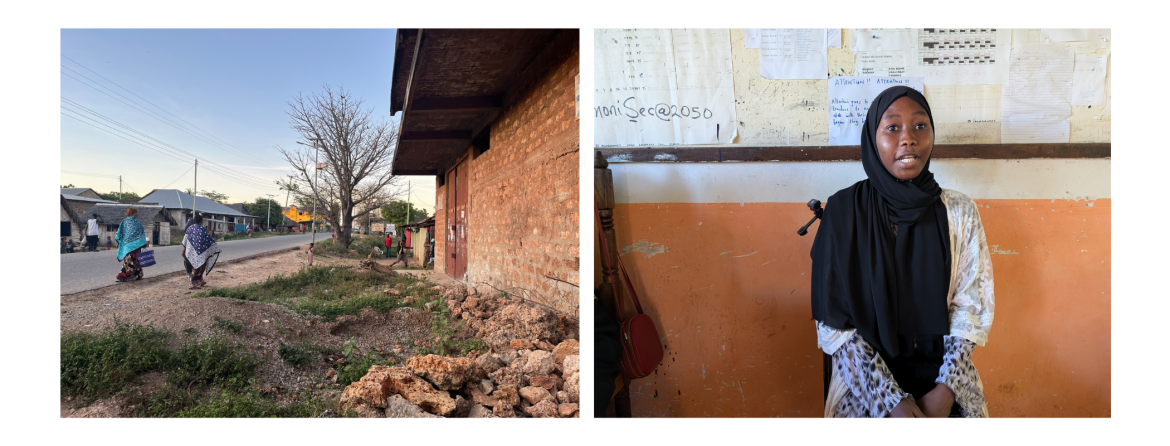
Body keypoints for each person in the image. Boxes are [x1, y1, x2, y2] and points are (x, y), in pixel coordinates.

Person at [810, 86, 994, 418]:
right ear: (872, 138)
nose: (908, 139)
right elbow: (835, 327)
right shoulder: (842, 213)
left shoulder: (959, 211)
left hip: (944, 377)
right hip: (865, 384)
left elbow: (970, 306)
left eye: (920, 126)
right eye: (893, 127)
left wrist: (946, 391)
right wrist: (890, 402)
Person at [182, 213, 221, 290]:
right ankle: (192, 284)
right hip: (200, 252)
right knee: (199, 266)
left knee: (196, 265)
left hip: (189, 252)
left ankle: (200, 280)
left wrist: (184, 251)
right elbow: (208, 240)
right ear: (201, 221)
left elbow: (185, 241)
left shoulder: (190, 228)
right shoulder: (203, 229)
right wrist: (214, 248)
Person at [115, 207, 149, 282]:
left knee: (130, 260)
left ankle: (130, 275)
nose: (137, 214)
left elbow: (119, 233)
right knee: (132, 260)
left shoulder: (123, 222)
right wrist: (143, 243)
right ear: (133, 213)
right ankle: (130, 275)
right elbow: (141, 233)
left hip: (127, 246)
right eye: (136, 212)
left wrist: (118, 242)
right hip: (136, 245)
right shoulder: (136, 222)